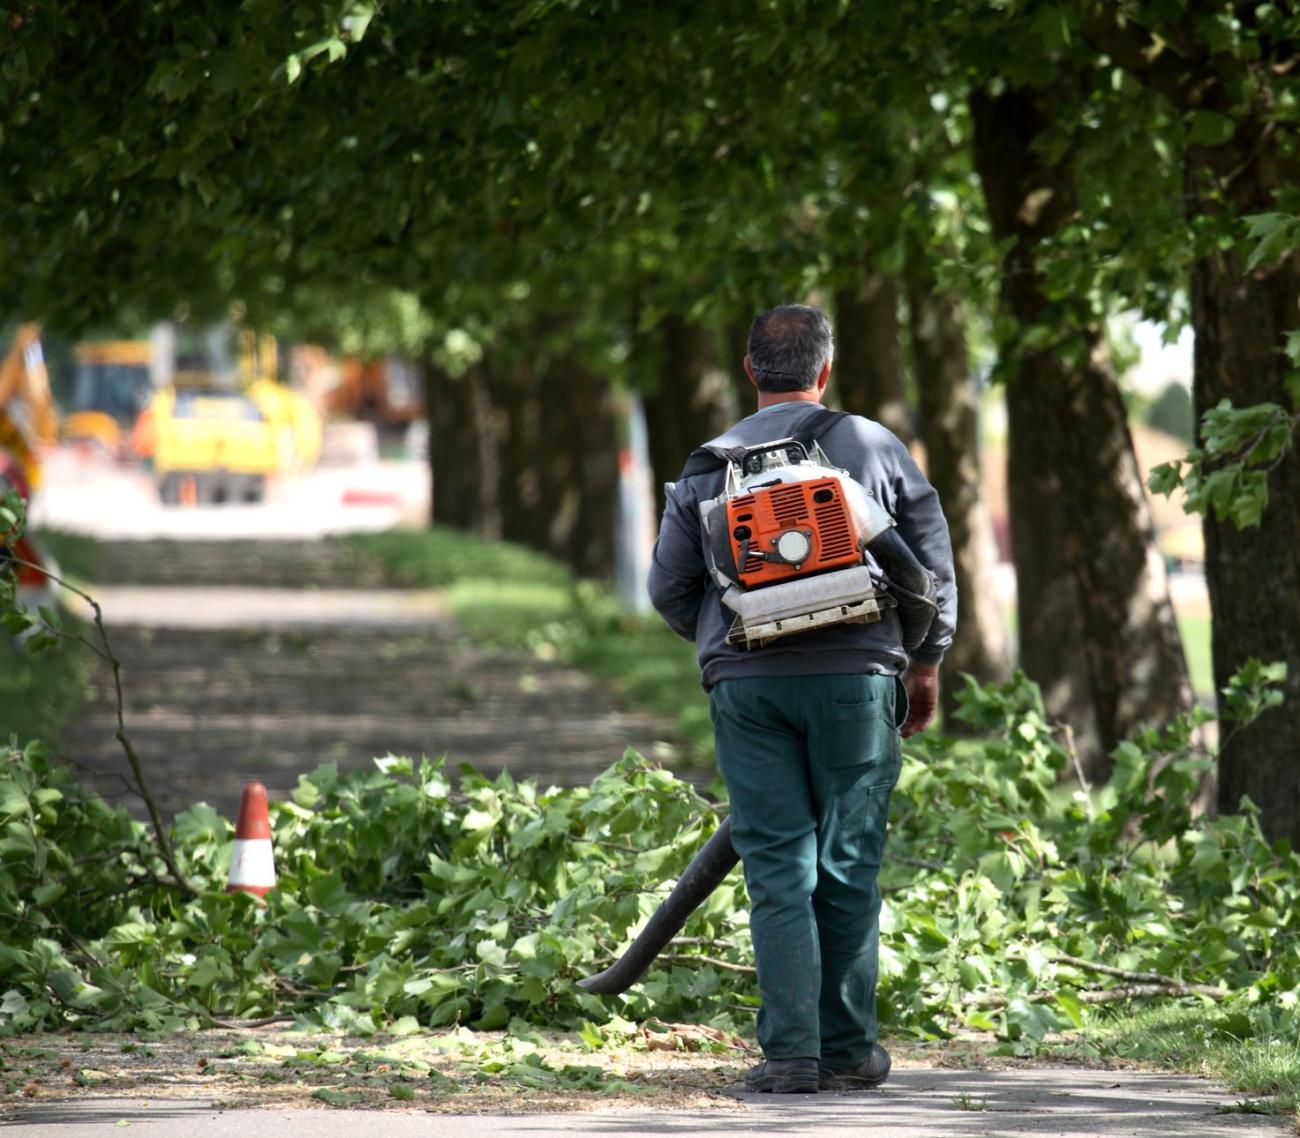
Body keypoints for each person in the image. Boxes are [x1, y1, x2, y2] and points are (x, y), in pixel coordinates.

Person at [647, 303, 956, 1094]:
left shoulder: (706, 462)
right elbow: (928, 561)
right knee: (849, 860)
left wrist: (729, 642)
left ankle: (790, 1056)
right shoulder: (873, 445)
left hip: (749, 690)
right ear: (826, 370)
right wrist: (924, 663)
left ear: (750, 371)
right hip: (860, 680)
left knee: (778, 863)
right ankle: (850, 1049)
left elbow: (669, 589)